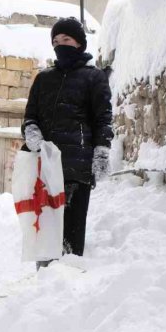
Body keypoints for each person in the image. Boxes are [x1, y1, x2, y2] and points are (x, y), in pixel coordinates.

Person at [21, 17, 113, 265]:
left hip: (76, 168)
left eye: (66, 39)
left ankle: (69, 279)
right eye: (55, 41)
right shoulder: (43, 79)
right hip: (45, 168)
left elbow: (103, 119)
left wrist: (102, 150)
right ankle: (45, 279)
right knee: (45, 234)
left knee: (70, 237)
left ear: (79, 43)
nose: (60, 45)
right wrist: (31, 131)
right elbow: (30, 116)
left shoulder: (94, 78)